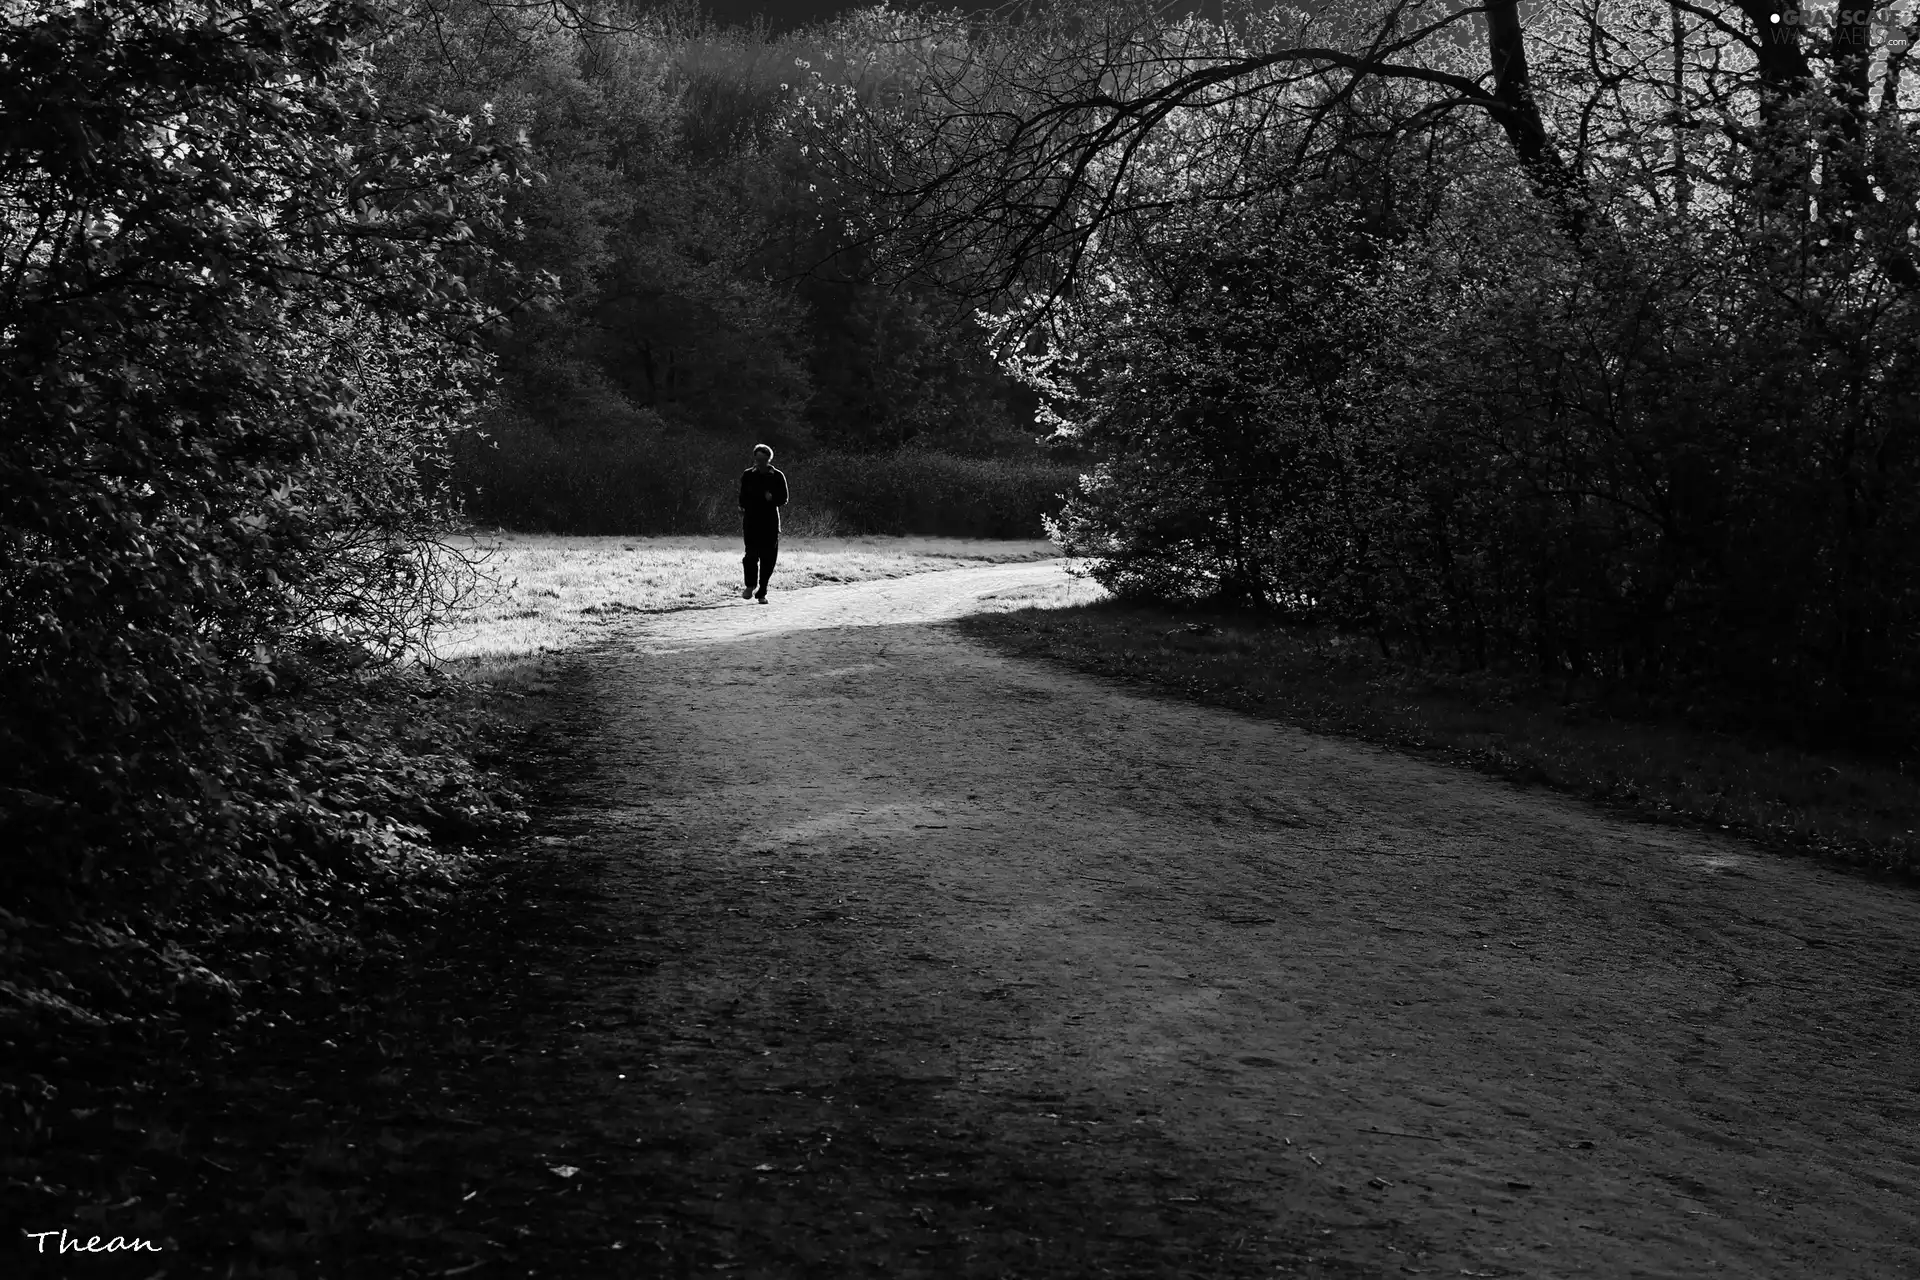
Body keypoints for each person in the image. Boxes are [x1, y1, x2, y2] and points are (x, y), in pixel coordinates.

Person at [739, 443, 788, 602]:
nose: (760, 462)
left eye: (763, 459)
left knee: (768, 558)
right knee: (750, 557)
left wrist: (772, 498)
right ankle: (750, 585)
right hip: (751, 521)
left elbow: (784, 499)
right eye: (757, 459)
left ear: (768, 459)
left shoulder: (777, 475)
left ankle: (763, 591)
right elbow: (742, 496)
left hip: (770, 523)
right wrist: (741, 507)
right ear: (754, 458)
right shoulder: (747, 475)